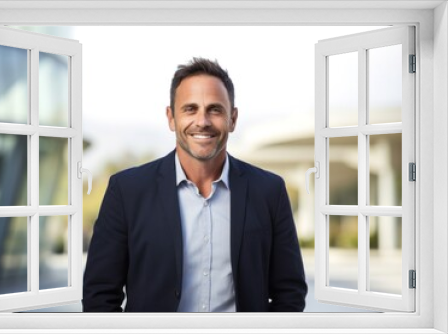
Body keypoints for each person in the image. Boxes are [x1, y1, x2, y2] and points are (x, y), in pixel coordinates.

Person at [82, 58, 307, 312]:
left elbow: (290, 293)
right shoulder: (127, 191)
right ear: (171, 117)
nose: (202, 121)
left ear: (232, 118)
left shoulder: (269, 191)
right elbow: (99, 296)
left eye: (215, 109)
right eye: (190, 109)